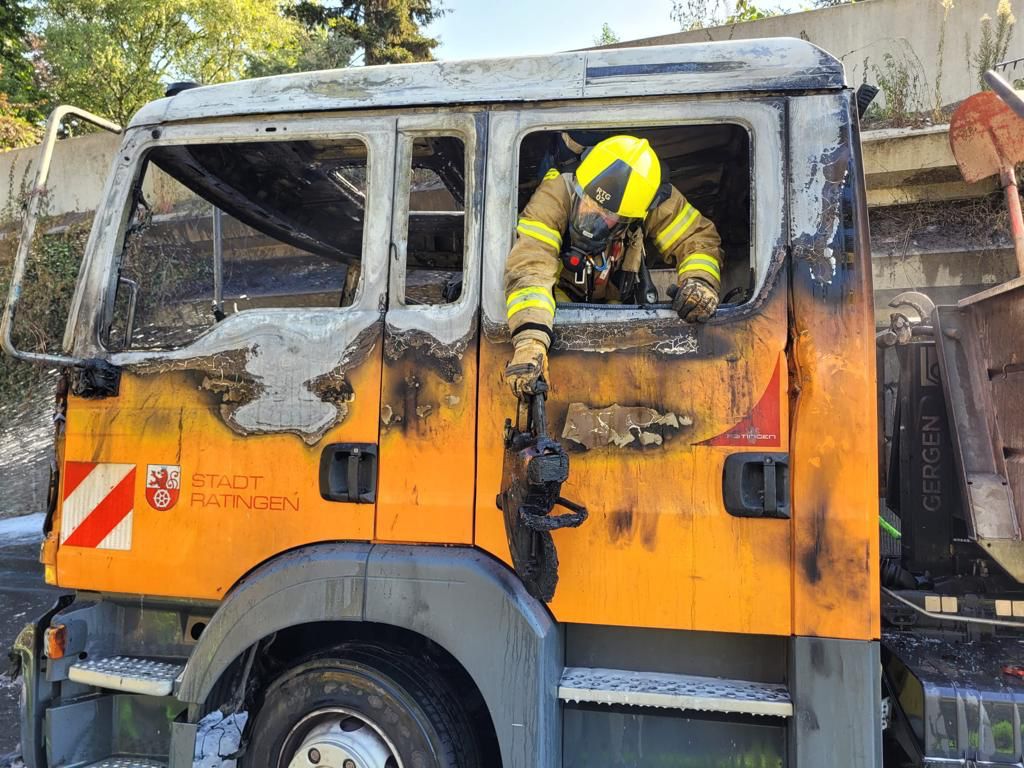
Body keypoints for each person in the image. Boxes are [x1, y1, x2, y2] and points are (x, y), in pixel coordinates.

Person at [503, 134, 724, 399]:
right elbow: (530, 266)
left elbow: (697, 239)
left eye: (606, 215)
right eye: (588, 202)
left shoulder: (649, 198)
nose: (590, 217)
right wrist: (530, 340)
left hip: (617, 306)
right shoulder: (556, 191)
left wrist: (700, 282)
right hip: (556, 307)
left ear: (632, 217)